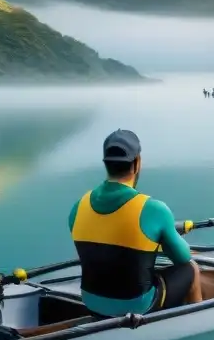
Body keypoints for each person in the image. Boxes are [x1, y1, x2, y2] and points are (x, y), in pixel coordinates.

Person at [70, 129, 202, 317]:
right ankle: (196, 321)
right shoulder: (154, 209)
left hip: (90, 301)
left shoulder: (78, 206)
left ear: (106, 164)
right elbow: (183, 257)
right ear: (137, 163)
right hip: (137, 306)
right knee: (191, 269)